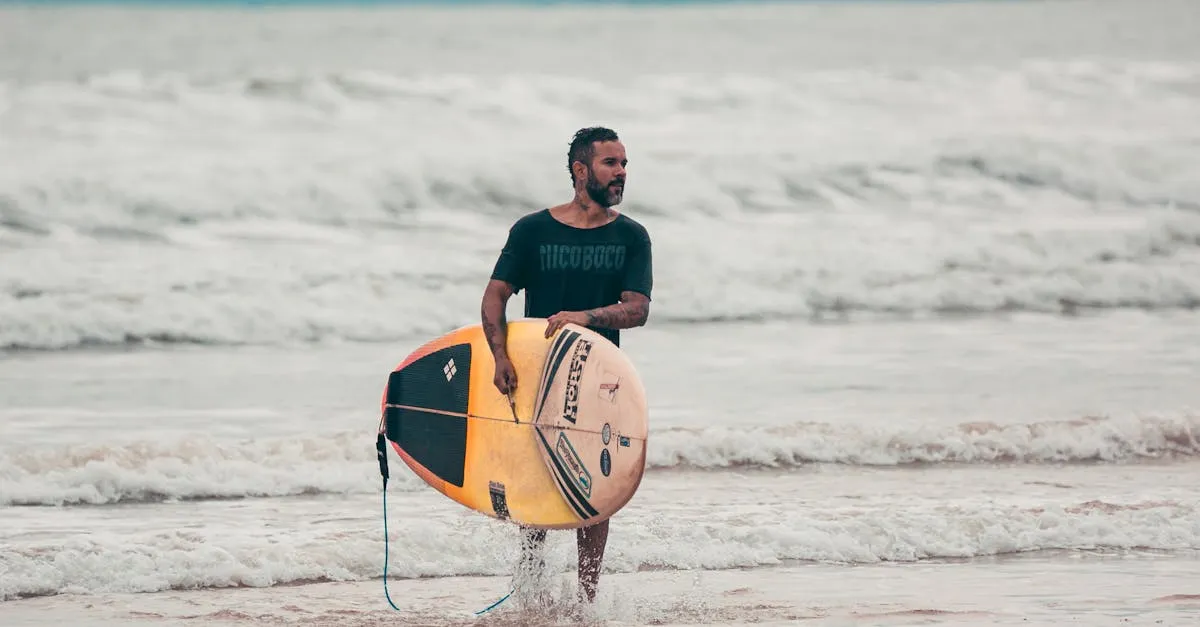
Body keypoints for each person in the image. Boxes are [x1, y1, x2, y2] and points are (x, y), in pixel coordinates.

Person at [479, 126, 654, 605]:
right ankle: (532, 590)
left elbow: (637, 308)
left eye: (624, 164)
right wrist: (499, 356)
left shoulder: (632, 236)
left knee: (595, 487)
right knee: (537, 475)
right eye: (610, 163)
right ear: (581, 170)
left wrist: (585, 318)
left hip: (602, 381)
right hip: (538, 373)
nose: (621, 173)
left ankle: (586, 601)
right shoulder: (533, 231)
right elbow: (495, 295)